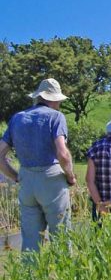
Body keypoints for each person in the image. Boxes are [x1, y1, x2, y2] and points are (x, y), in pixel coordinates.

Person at [0, 78, 76, 252]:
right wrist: (70, 176)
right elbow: (62, 153)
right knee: (61, 237)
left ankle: (31, 277)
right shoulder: (56, 117)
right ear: (55, 99)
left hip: (26, 178)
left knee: (30, 241)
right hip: (51, 179)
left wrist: (15, 176)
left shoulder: (17, 118)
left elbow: (0, 153)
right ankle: (63, 277)